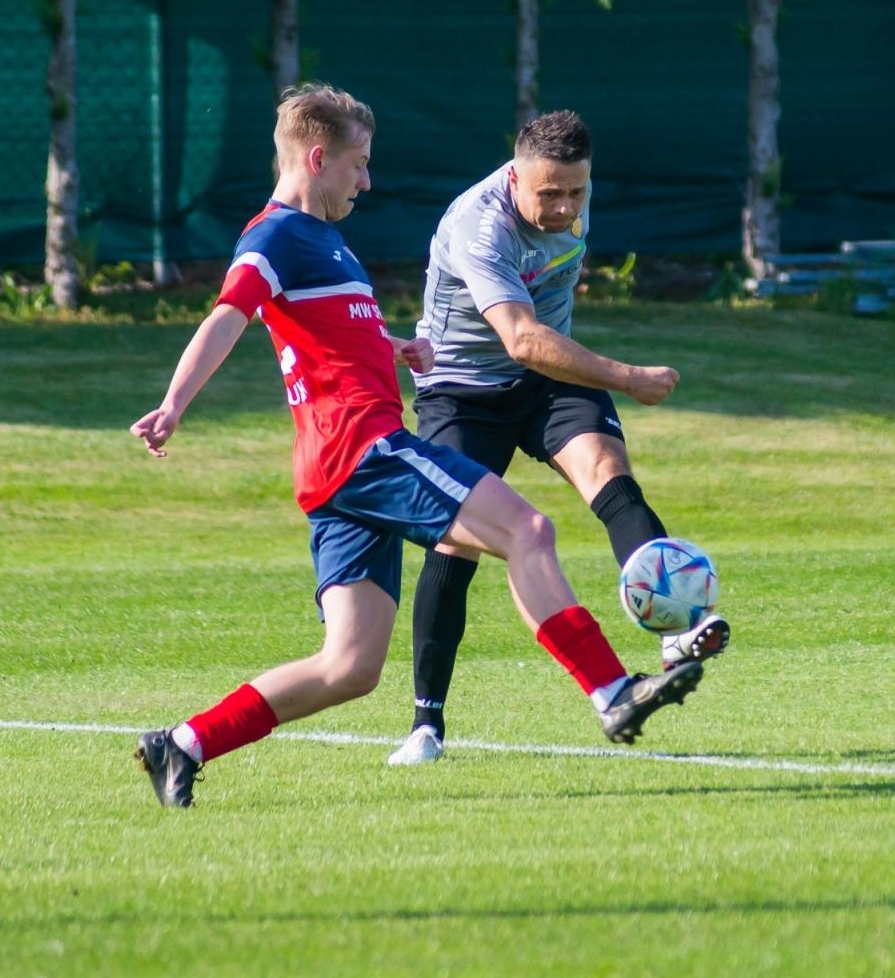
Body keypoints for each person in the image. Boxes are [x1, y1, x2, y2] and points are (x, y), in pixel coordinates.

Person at [129, 84, 701, 808]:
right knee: (528, 530)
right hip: (363, 450)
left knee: (350, 666)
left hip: (330, 471)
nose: (367, 180)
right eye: (358, 164)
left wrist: (391, 345)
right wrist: (175, 403)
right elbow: (229, 313)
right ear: (317, 157)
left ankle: (182, 743)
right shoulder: (276, 235)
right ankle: (613, 691)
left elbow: (315, 333)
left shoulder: (325, 239)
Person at [387, 110, 729, 767]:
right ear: (515, 176)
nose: (565, 206)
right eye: (549, 194)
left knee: (610, 473)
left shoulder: (572, 192)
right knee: (455, 546)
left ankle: (676, 634)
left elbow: (539, 343)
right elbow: (520, 338)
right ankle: (425, 723)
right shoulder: (477, 227)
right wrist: (627, 377)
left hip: (548, 381)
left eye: (576, 191)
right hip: (463, 393)